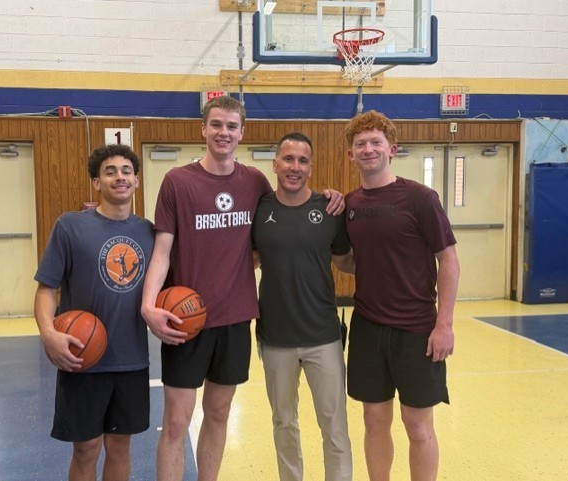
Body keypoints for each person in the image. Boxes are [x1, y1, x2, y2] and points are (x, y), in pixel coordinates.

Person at [140, 95, 344, 481]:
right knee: (177, 420)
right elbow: (162, 252)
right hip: (186, 322)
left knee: (218, 415)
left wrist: (332, 196)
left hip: (235, 320)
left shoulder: (254, 183)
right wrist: (148, 305)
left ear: (241, 133)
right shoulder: (177, 182)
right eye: (216, 124)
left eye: (232, 126)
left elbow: (287, 215)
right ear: (203, 129)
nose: (224, 132)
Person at [342, 110, 460, 481]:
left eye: (376, 142)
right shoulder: (350, 204)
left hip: (417, 330)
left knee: (418, 424)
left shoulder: (421, 198)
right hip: (367, 329)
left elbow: (449, 261)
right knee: (374, 420)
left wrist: (444, 325)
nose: (368, 148)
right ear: (350, 154)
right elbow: (349, 263)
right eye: (360, 143)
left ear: (392, 149)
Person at [34, 144, 155, 481]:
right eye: (110, 171)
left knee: (119, 445)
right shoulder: (70, 227)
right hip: (82, 356)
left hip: (131, 360)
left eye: (126, 171)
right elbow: (46, 289)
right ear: (97, 183)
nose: (120, 177)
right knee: (86, 448)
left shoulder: (150, 232)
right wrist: (48, 332)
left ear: (137, 181)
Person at [252, 132, 354, 481]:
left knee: (335, 427)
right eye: (288, 159)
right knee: (283, 423)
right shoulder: (260, 208)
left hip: (323, 335)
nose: (295, 167)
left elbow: (345, 261)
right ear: (276, 163)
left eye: (302, 161)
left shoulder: (329, 209)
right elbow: (245, 259)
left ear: (311, 167)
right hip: (275, 336)